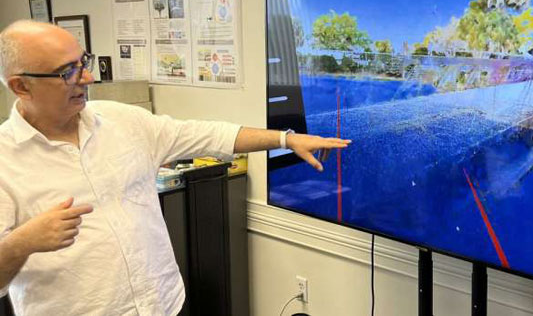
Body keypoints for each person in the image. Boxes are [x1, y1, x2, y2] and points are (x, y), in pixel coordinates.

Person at [0, 20, 350, 315]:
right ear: (21, 86)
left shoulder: (123, 121)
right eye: (67, 72)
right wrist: (23, 242)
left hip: (165, 305)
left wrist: (286, 139)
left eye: (83, 61)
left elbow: (207, 135)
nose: (87, 77)